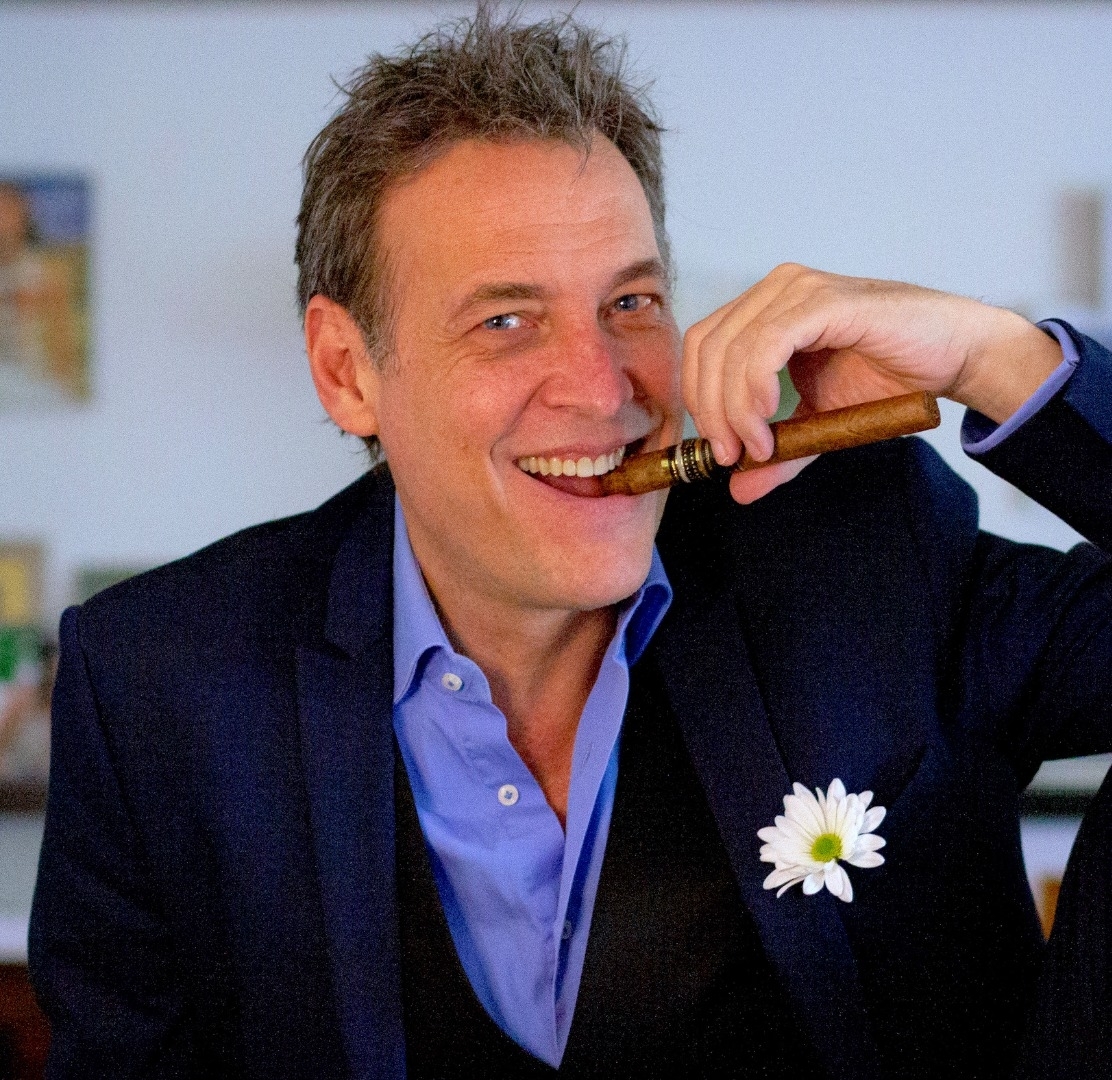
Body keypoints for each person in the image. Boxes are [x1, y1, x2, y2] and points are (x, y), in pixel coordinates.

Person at [28, 9, 1112, 1079]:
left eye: (630, 302)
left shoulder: (865, 556)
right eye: (506, 320)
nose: (603, 391)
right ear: (346, 372)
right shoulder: (155, 685)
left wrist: (993, 358)